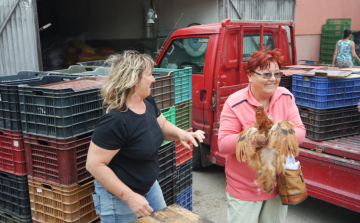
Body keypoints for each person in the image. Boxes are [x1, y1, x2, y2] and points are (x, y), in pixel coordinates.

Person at [86, 50, 205, 223]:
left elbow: (162, 124)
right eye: (149, 75)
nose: (154, 79)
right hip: (119, 197)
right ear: (133, 79)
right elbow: (94, 164)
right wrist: (130, 197)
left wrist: (182, 134)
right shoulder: (115, 120)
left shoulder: (146, 100)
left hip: (149, 186)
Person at [218, 49, 306, 223]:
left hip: (279, 183)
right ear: (250, 75)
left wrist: (279, 134)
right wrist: (253, 138)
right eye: (266, 74)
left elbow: (301, 133)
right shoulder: (235, 102)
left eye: (276, 73)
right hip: (245, 187)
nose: (273, 79)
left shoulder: (285, 97)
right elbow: (224, 143)